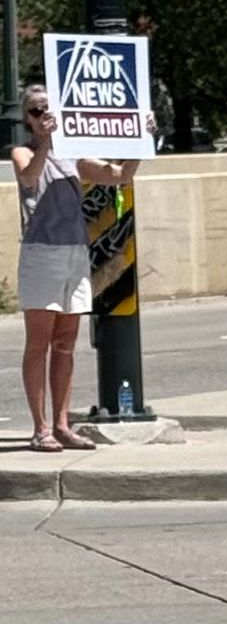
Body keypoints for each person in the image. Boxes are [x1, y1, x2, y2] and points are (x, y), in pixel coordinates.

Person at [12, 84, 151, 452]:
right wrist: (46, 140)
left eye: (48, 109)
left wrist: (142, 142)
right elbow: (29, 176)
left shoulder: (74, 157)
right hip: (42, 254)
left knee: (65, 343)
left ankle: (61, 424)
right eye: (38, 111)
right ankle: (40, 427)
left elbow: (119, 175)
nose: (45, 116)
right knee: (38, 342)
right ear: (28, 119)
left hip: (75, 252)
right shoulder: (23, 152)